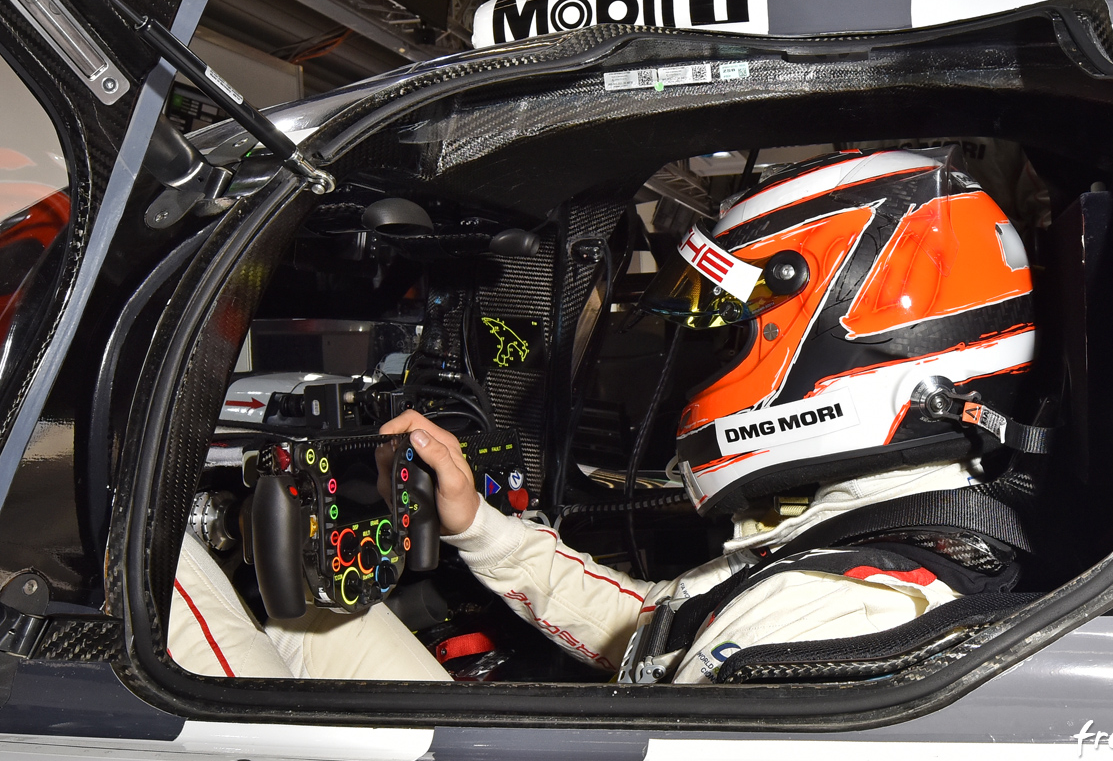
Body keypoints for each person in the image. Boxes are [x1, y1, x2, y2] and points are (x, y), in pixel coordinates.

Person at [385, 147, 1047, 683]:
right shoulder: (884, 532)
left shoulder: (823, 613)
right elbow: (660, 625)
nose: (715, 364)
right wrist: (477, 526)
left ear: (839, 341)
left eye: (735, 336)